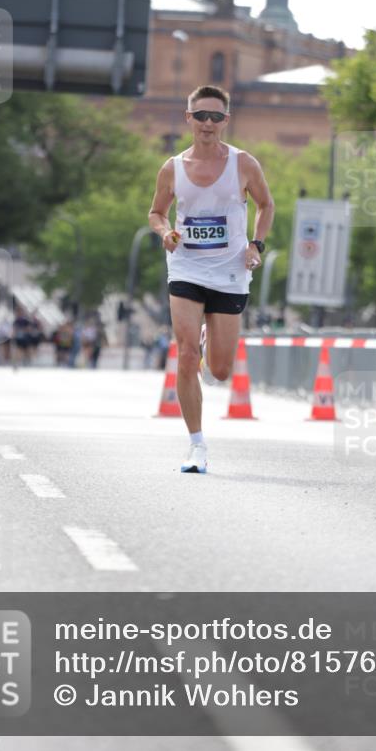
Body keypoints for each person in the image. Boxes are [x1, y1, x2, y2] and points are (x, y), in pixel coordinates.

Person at [148, 85, 275, 473]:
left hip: (231, 270)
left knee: (220, 370)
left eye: (215, 117)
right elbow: (156, 212)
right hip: (186, 267)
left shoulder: (244, 164)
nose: (207, 123)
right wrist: (164, 232)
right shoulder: (172, 168)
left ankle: (206, 337)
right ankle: (196, 445)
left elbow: (266, 204)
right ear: (188, 118)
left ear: (225, 121)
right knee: (186, 355)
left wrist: (256, 245)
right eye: (200, 115)